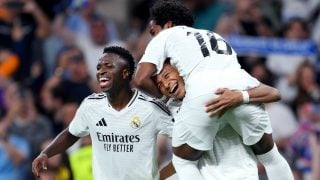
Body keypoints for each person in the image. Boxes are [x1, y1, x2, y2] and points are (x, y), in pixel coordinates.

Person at [133, 1, 293, 179]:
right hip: (238, 86)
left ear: (168, 25)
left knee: (184, 163)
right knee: (271, 157)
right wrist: (242, 96)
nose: (153, 38)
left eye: (153, 32)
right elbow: (273, 92)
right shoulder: (216, 36)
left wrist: (166, 101)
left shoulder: (166, 36)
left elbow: (139, 79)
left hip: (202, 94)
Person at [32, 46, 174, 180]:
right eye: (99, 67)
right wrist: (46, 153)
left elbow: (189, 143)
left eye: (109, 66)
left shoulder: (150, 108)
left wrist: (162, 175)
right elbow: (71, 134)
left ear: (125, 73)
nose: (101, 71)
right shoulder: (90, 105)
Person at [156, 60, 284, 179]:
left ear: (180, 69)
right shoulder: (170, 111)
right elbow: (183, 160)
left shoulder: (215, 83)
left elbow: (273, 93)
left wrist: (241, 96)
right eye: (160, 84)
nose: (166, 85)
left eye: (167, 76)